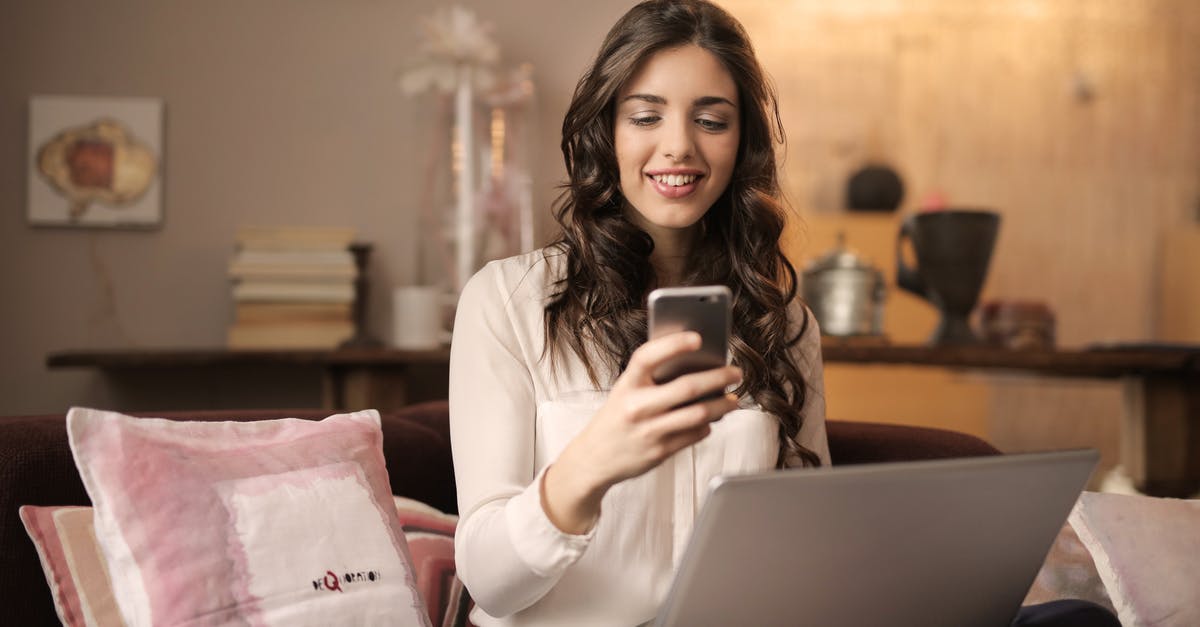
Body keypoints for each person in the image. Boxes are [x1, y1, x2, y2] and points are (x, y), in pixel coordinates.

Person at [448, 2, 1119, 626]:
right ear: (606, 130)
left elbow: (806, 544)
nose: (679, 145)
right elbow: (490, 579)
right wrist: (591, 462)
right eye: (646, 115)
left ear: (742, 142)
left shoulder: (782, 322)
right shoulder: (509, 302)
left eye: (711, 118)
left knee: (1074, 621)